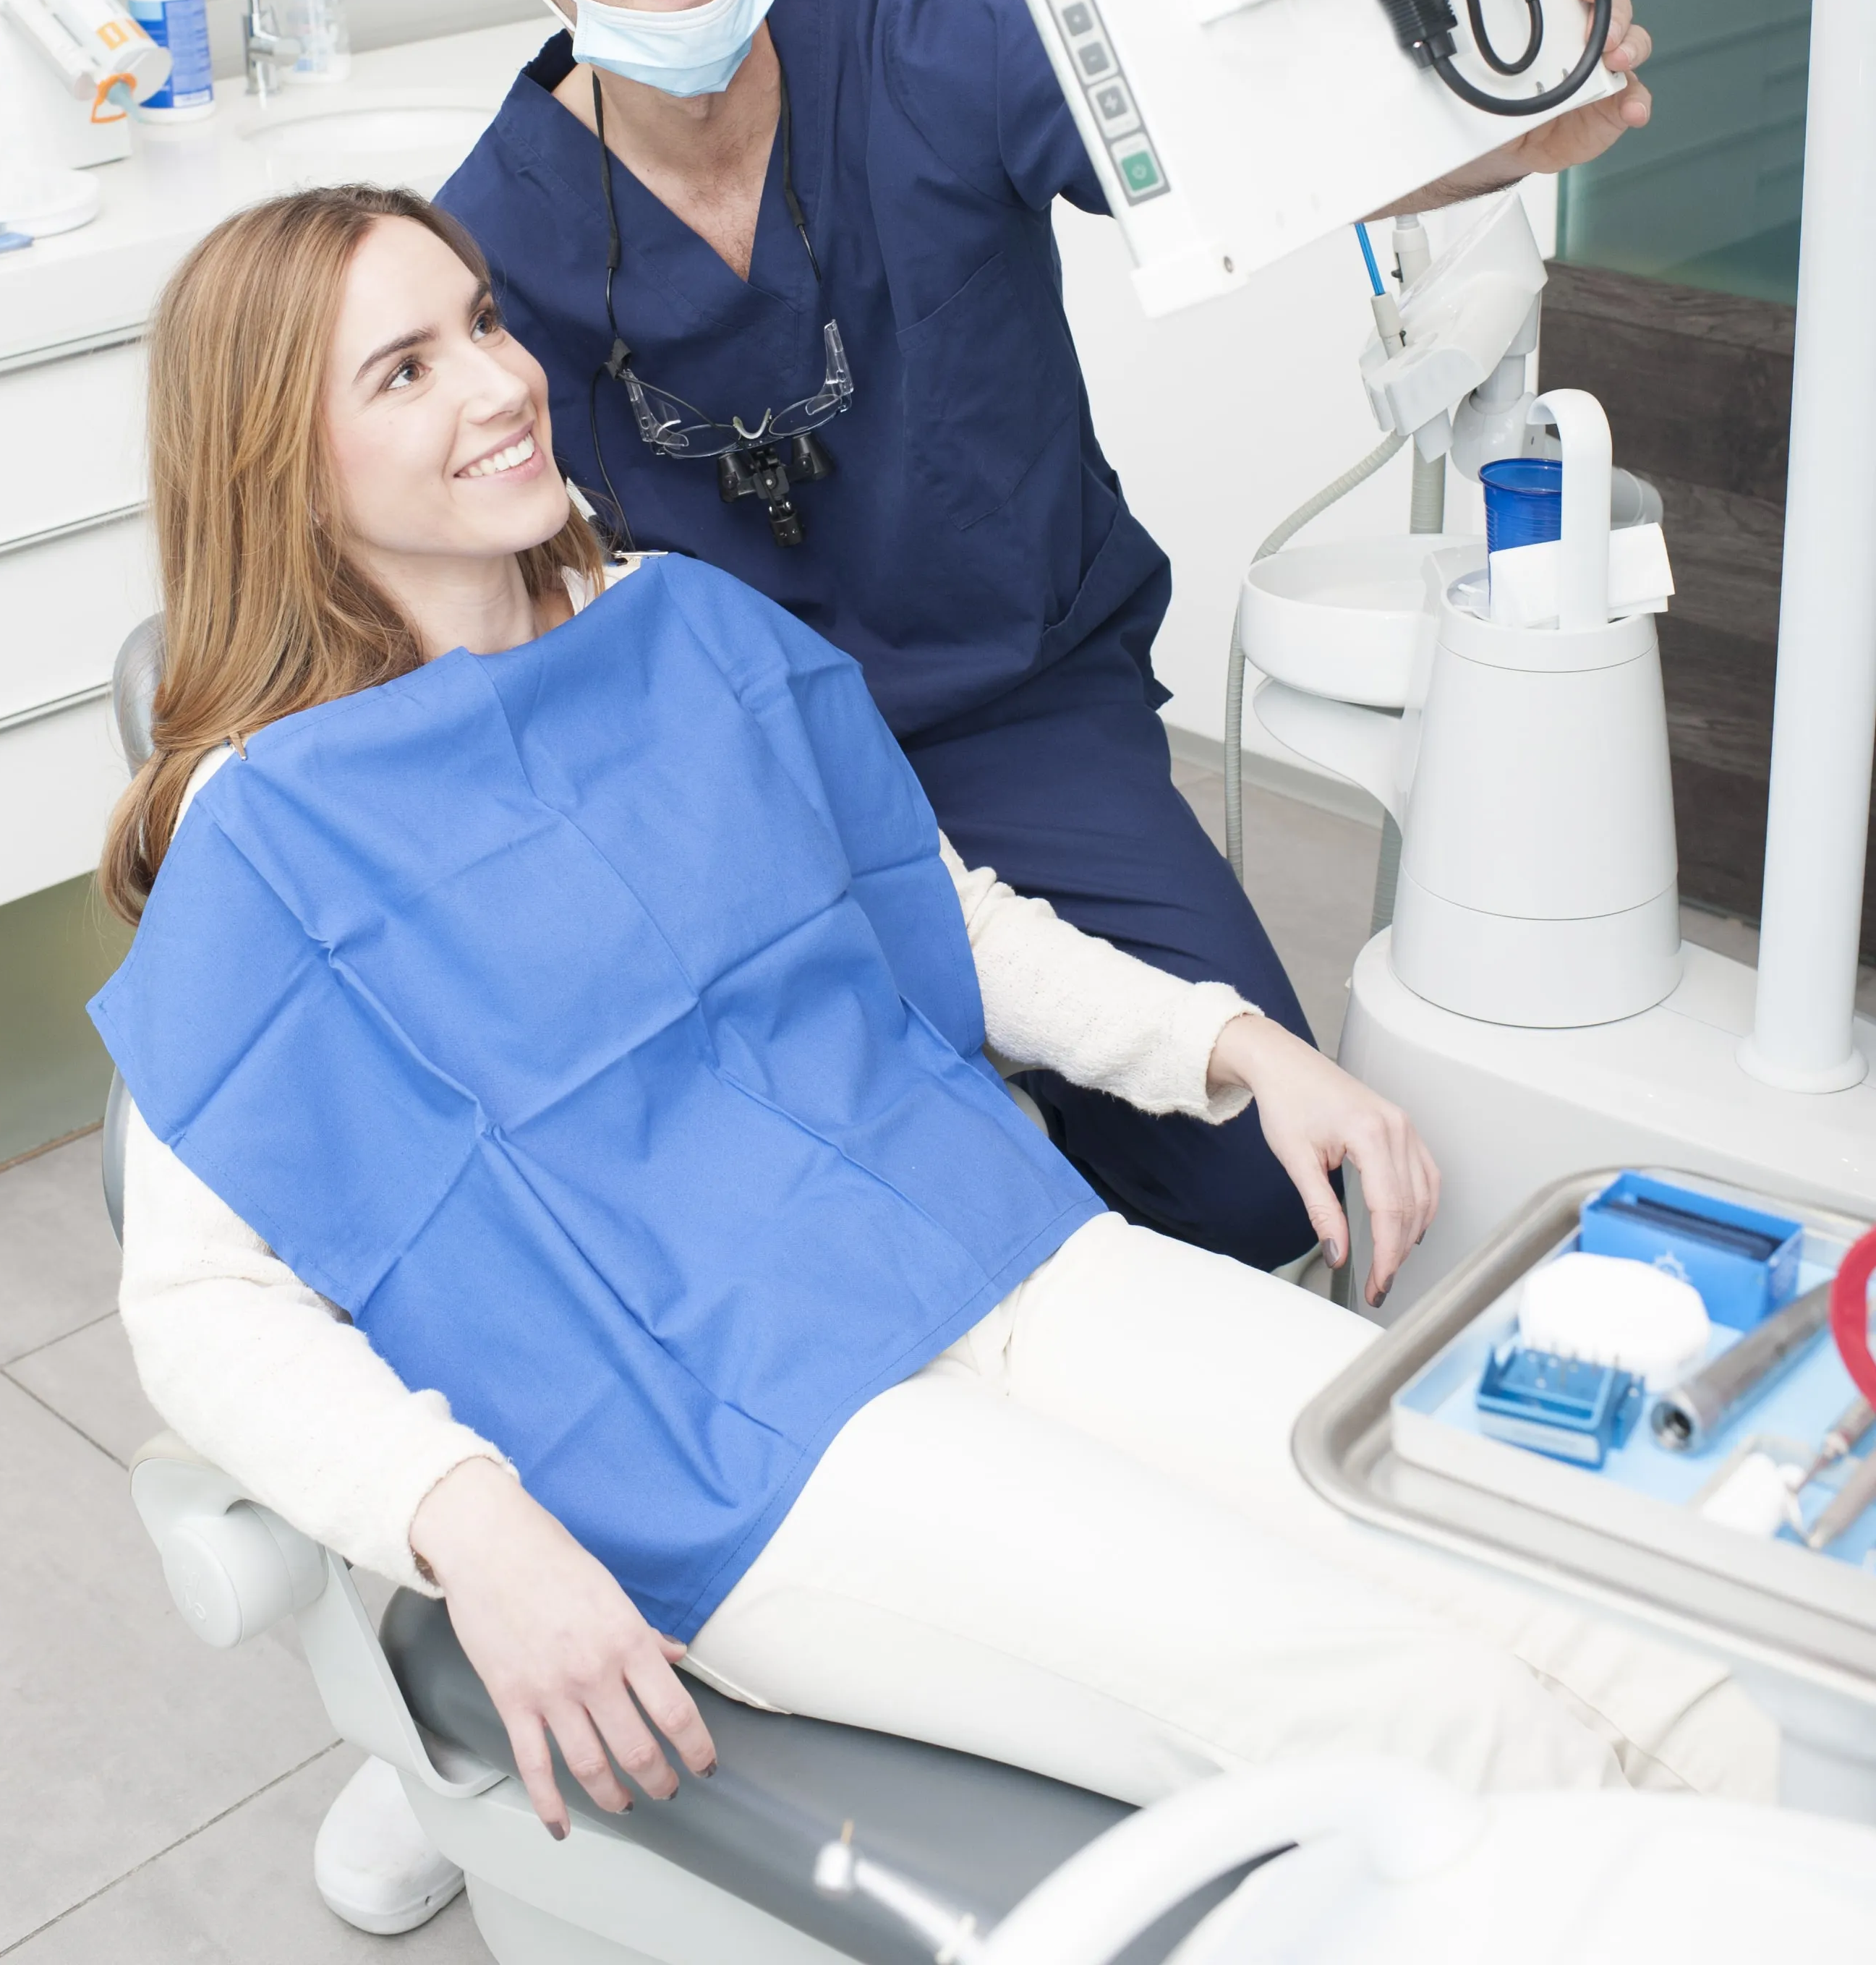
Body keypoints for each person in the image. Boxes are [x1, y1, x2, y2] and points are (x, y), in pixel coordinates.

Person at [96, 186, 1764, 1942]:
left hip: (997, 1245)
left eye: (488, 324)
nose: (499, 384)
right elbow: (201, 1304)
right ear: (287, 461)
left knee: (1580, 1580)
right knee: (1434, 1717)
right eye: (406, 369)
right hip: (742, 1443)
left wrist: (1234, 1043)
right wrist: (468, 1525)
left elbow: (932, 915)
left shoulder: (681, 625)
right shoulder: (270, 829)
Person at [427, 0, 1656, 1284]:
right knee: (813, 1233)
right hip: (740, 772)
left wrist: (1485, 128)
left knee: (1255, 1198)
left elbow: (1239, 152)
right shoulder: (488, 244)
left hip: (1017, 715)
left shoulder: (924, 50)